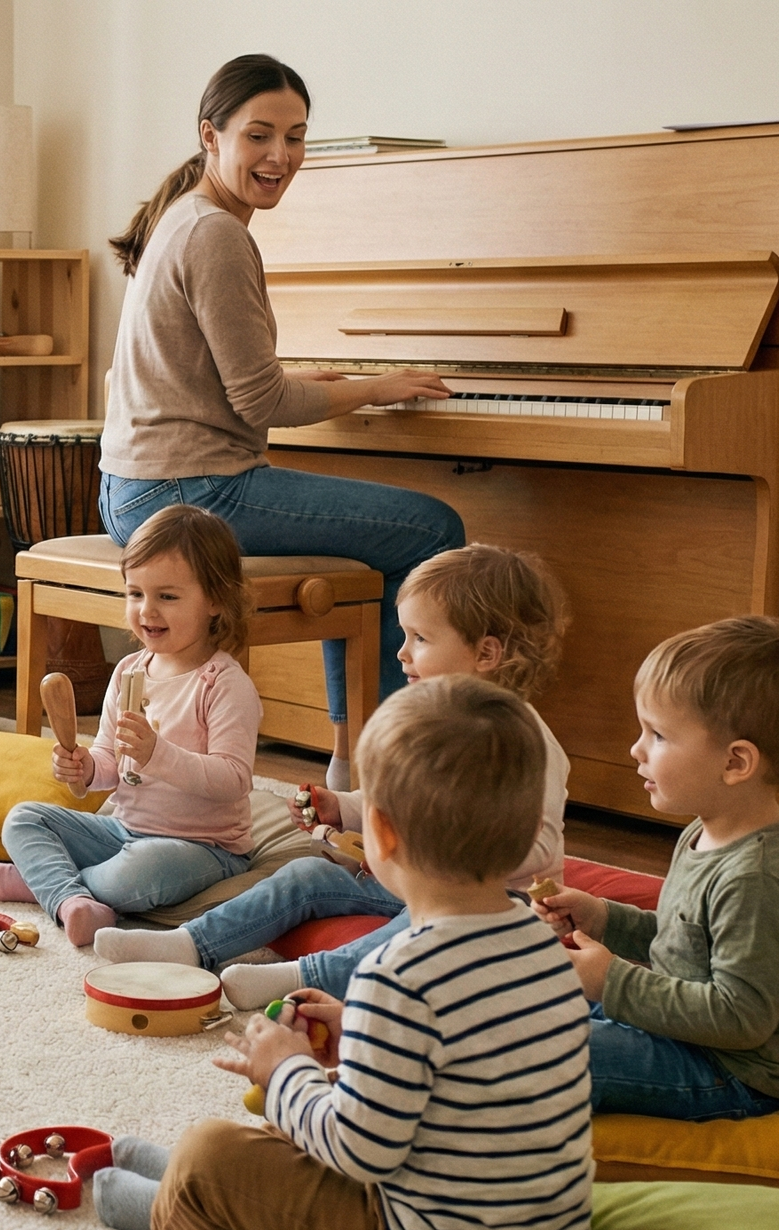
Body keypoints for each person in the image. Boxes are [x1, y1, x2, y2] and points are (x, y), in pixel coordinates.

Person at [94, 676, 592, 1230]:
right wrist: (355, 1031)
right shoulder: (546, 946)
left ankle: (187, 1210)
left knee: (214, 1147)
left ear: (380, 835)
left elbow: (359, 1150)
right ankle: (202, 1183)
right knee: (300, 1114)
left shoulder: (397, 972)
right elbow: (459, 1064)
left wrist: (284, 1071)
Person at [101, 52, 463, 788]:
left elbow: (216, 381)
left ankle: (349, 756)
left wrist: (311, 381)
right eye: (260, 136)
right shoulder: (217, 234)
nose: (280, 156)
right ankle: (386, 766)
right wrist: (372, 387)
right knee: (432, 530)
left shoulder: (184, 216)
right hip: (190, 492)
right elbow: (261, 403)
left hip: (134, 486)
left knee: (367, 549)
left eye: (296, 137)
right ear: (212, 136)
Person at [96, 545, 570, 1008]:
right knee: (307, 874)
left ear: (486, 654)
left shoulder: (526, 743)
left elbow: (540, 845)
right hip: (414, 879)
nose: (401, 654)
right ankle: (193, 943)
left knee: (419, 934)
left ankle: (300, 977)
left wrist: (440, 853)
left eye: (420, 640)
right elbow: (398, 801)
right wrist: (342, 807)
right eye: (403, 636)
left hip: (495, 905)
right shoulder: (432, 723)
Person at [536, 617, 779, 1119]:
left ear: (735, 763)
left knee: (550, 1054)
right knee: (524, 1005)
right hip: (688, 1033)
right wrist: (605, 920)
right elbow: (687, 945)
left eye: (657, 735)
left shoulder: (757, 878)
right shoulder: (703, 833)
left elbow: (740, 1018)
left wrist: (611, 980)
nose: (636, 749)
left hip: (738, 1071)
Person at [0, 505, 262, 946]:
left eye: (167, 597)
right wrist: (87, 769)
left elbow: (233, 780)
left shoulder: (224, 684)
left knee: (138, 875)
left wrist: (158, 755)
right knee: (22, 819)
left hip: (203, 848)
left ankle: (48, 884)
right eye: (135, 594)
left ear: (216, 600)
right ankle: (71, 900)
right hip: (123, 831)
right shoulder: (130, 670)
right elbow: (111, 760)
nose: (147, 610)